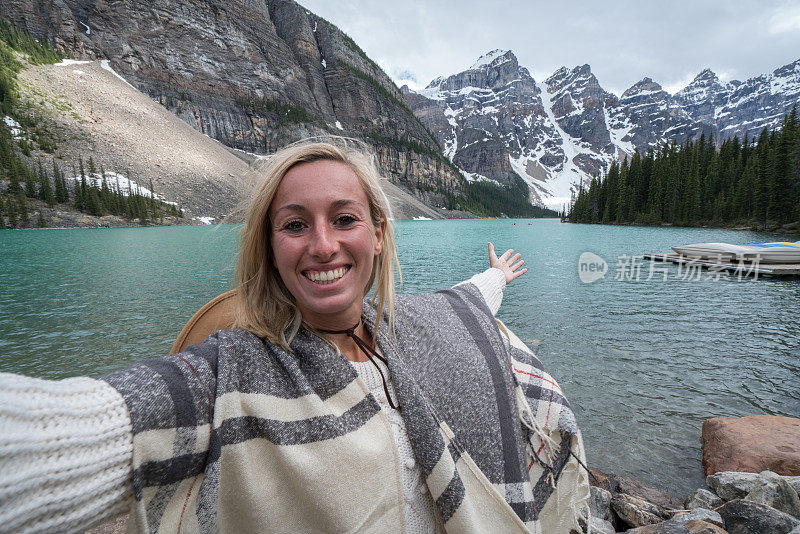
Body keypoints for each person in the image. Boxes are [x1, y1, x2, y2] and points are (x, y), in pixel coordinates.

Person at [0, 139, 590, 533]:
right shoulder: (225, 371)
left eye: (345, 218)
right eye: (294, 225)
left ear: (379, 235)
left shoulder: (410, 323)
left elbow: (464, 300)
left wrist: (497, 277)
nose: (324, 245)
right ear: (270, 249)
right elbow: (92, 427)